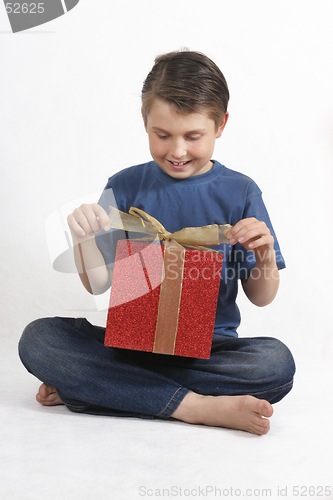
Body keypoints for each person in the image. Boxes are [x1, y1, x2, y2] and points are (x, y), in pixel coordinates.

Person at [19, 50, 295, 435]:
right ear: (144, 122)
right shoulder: (125, 186)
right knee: (39, 338)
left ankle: (102, 390)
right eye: (162, 135)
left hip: (209, 353)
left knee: (275, 364)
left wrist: (263, 252)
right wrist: (82, 239)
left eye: (193, 136)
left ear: (221, 125)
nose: (177, 151)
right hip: (131, 350)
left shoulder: (240, 192)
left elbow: (261, 296)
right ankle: (195, 406)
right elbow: (99, 284)